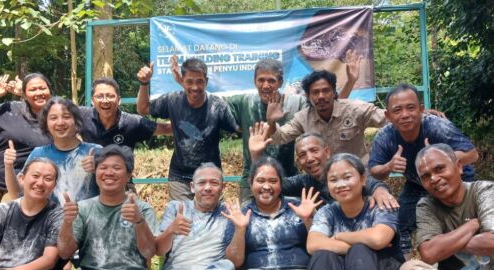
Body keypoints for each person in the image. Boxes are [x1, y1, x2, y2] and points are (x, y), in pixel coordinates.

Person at [170, 54, 361, 202]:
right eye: (261, 80)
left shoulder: (297, 104)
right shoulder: (243, 102)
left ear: (280, 81)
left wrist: (350, 81)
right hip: (251, 179)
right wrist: (187, 86)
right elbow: (207, 102)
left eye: (271, 80)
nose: (266, 85)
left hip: (289, 178)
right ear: (254, 81)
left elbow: (329, 108)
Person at [287, 153, 413, 270]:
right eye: (333, 180)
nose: (340, 184)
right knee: (324, 253)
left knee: (360, 249)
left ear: (363, 179)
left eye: (347, 177)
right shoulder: (327, 212)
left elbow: (379, 239)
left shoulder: (381, 205)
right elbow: (313, 244)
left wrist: (341, 237)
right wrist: (354, 245)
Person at [35, 145, 157, 270]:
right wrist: (67, 223)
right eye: (103, 167)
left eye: (116, 168)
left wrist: (139, 221)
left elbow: (149, 252)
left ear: (129, 174)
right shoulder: (82, 208)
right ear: (95, 172)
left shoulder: (142, 209)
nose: (109, 173)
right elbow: (65, 252)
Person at [369, 84, 478, 257]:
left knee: (464, 220)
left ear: (421, 109)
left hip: (455, 180)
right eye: (397, 110)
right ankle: (406, 267)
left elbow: (472, 154)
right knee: (401, 223)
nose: (405, 115)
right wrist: (389, 166)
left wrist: (439, 157)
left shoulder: (437, 127)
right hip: (418, 184)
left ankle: (468, 251)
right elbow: (375, 170)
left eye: (411, 108)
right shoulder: (385, 136)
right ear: (388, 116)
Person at [215, 157, 321, 270]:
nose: (266, 186)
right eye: (260, 180)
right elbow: (234, 261)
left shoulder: (299, 207)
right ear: (251, 183)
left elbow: (320, 248)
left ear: (281, 184)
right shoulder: (240, 214)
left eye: (273, 181)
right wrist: (240, 229)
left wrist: (308, 220)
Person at [399, 144, 494, 270]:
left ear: (458, 167)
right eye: (426, 176)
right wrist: (472, 226)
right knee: (409, 269)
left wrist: (445, 243)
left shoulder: (483, 190)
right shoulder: (426, 205)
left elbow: (492, 242)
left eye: (439, 169)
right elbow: (428, 254)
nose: (434, 178)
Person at [149, 163, 235, 270]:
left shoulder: (229, 213)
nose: (208, 188)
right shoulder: (176, 207)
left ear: (223, 187)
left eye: (214, 183)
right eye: (202, 183)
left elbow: (236, 258)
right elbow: (159, 251)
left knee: (226, 267)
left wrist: (240, 228)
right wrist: (171, 230)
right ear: (192, 186)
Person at [136, 58, 240, 201]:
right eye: (189, 81)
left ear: (206, 81)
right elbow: (143, 108)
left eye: (199, 81)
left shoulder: (218, 106)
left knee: (212, 221)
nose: (195, 87)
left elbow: (239, 128)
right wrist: (144, 83)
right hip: (179, 177)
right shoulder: (172, 100)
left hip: (210, 177)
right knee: (182, 221)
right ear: (182, 81)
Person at [249, 125, 399, 209]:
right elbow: (272, 185)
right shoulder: (303, 182)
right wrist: (256, 155)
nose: (309, 158)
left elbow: (371, 181)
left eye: (314, 151)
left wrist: (380, 191)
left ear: (327, 152)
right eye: (302, 155)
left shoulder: (344, 169)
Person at [0, 158, 62, 270]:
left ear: (54, 185)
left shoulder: (57, 214)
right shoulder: (3, 210)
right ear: (22, 178)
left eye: (48, 179)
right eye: (36, 176)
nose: (40, 183)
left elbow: (49, 260)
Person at [265, 70, 386, 164]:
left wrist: (380, 156)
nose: (321, 96)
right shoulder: (303, 119)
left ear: (334, 92)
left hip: (359, 176)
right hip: (325, 179)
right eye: (315, 92)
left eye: (326, 90)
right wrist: (271, 122)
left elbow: (390, 119)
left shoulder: (355, 109)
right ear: (308, 96)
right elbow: (278, 138)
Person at [4, 97, 101, 205]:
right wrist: (9, 166)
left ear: (76, 121)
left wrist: (99, 169)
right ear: (46, 124)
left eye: (66, 117)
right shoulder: (38, 154)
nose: (60, 122)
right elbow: (16, 195)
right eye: (53, 118)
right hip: (49, 221)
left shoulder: (95, 151)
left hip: (87, 220)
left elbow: (115, 191)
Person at [0, 73, 52, 203]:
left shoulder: (57, 116)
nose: (38, 92)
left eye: (42, 88)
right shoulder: (9, 110)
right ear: (24, 94)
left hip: (23, 186)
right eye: (32, 89)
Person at [79, 77, 172, 151]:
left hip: (121, 173)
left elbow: (166, 129)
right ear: (92, 101)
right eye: (99, 96)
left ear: (119, 100)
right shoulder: (82, 115)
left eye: (110, 96)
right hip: (90, 173)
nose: (105, 101)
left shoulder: (132, 122)